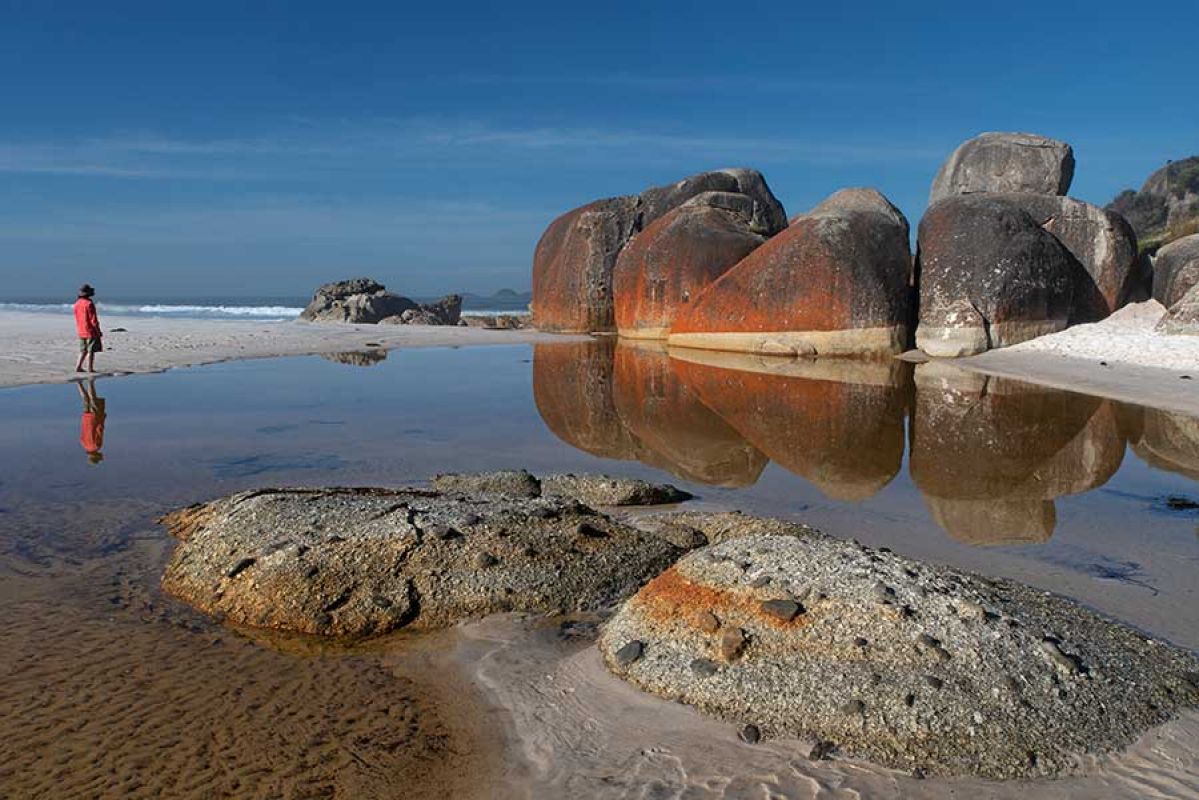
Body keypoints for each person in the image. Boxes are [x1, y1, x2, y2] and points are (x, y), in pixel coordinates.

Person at [73, 284, 103, 373]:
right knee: (91, 351)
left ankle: (78, 367)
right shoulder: (89, 303)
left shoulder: (77, 303)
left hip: (81, 329)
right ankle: (90, 368)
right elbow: (93, 319)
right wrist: (98, 330)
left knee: (83, 350)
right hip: (90, 331)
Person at [78, 379, 106, 465]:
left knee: (93, 399)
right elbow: (82, 433)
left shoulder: (97, 446)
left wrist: (102, 418)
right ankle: (79, 384)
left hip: (94, 420)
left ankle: (91, 382)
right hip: (86, 420)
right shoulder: (84, 445)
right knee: (86, 400)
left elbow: (99, 430)